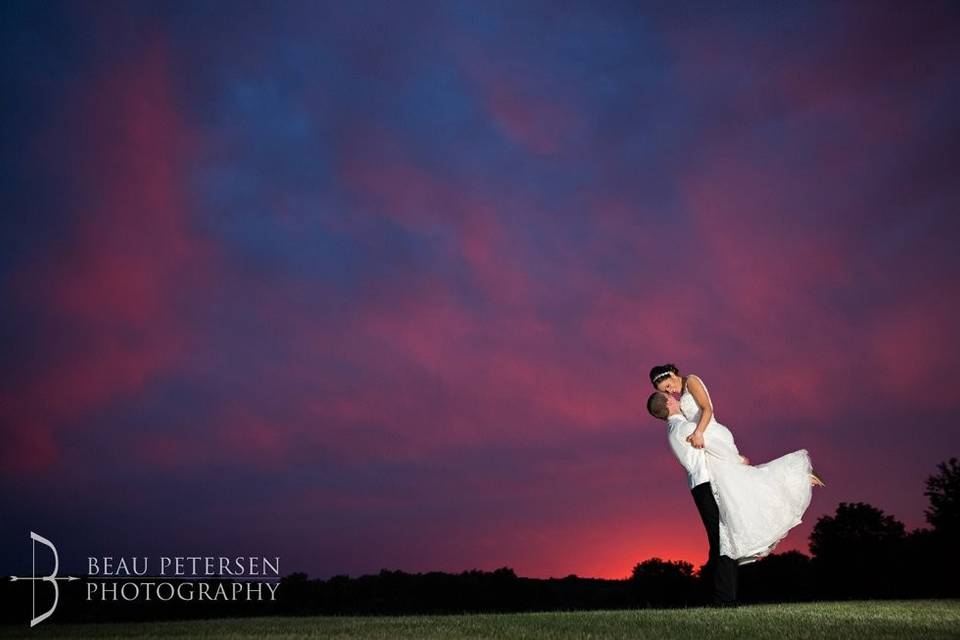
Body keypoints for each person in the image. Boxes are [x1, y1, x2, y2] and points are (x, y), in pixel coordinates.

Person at [645, 385, 824, 607]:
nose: (674, 396)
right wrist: (738, 459)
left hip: (701, 486)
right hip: (708, 485)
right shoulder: (683, 428)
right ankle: (723, 599)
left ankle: (721, 599)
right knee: (723, 542)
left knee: (722, 541)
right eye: (669, 396)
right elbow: (713, 446)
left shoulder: (674, 430)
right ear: (668, 404)